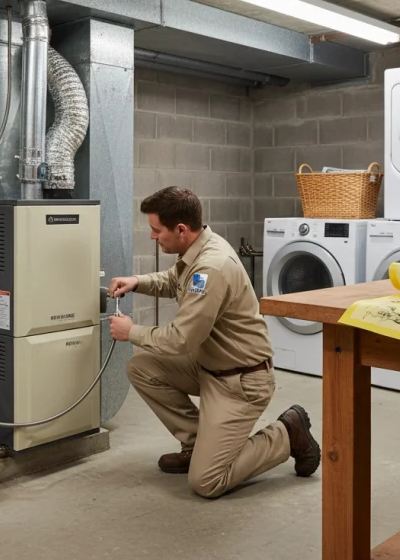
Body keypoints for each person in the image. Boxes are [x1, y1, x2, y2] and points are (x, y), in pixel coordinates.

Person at [108, 186, 321, 499]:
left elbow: (181, 339)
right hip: (210, 365)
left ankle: (287, 433)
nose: (153, 236)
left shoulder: (211, 267)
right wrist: (138, 282)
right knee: (142, 367)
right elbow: (173, 280)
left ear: (181, 229)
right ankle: (197, 446)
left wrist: (132, 332)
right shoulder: (199, 246)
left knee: (207, 482)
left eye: (156, 230)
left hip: (241, 381)